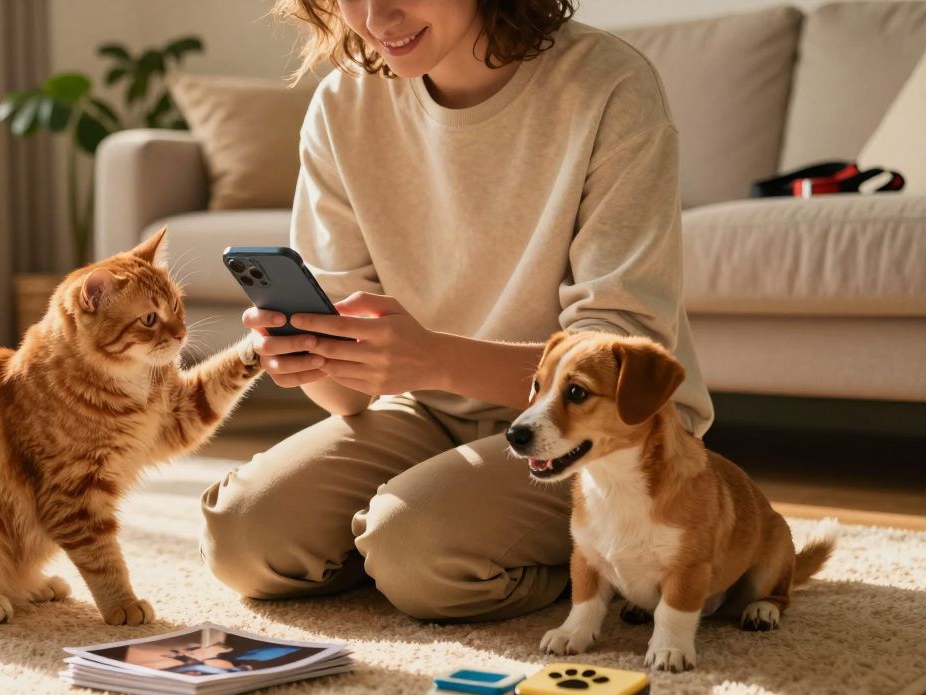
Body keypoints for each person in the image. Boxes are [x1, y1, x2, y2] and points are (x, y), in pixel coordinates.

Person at [201, 0, 714, 622]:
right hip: (424, 412)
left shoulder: (608, 84)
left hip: (604, 431)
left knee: (414, 551)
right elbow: (348, 402)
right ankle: (422, 546)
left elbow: (622, 351)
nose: (375, 18)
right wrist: (314, 357)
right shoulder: (343, 104)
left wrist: (435, 358)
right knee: (244, 540)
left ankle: (608, 567)